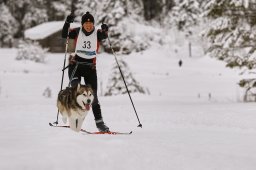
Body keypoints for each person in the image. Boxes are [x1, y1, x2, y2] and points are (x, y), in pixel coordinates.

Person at [61, 12, 110, 132]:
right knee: (76, 90)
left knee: (93, 97)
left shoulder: (97, 33)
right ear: (82, 24)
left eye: (90, 23)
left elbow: (104, 36)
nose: (88, 25)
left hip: (90, 68)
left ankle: (100, 123)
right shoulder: (77, 31)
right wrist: (67, 23)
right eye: (86, 23)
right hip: (75, 66)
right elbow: (64, 34)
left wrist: (105, 30)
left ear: (93, 24)